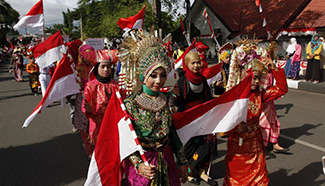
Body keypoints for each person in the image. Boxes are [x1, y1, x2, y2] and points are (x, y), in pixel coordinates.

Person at [120, 30, 188, 185]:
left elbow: (172, 133)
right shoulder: (130, 104)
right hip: (144, 165)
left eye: (163, 75)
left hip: (167, 159)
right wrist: (138, 164)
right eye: (153, 75)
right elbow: (126, 139)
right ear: (144, 76)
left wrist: (182, 161)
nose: (159, 80)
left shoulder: (168, 100)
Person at [224, 40, 288, 186]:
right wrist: (234, 127)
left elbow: (281, 90)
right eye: (252, 76)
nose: (256, 80)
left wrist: (275, 69)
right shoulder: (232, 95)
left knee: (259, 179)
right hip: (237, 145)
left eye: (258, 77)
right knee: (236, 180)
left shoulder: (261, 94)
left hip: (255, 144)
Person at [174, 51, 216, 185]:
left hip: (202, 118)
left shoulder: (203, 80)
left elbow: (208, 99)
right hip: (187, 119)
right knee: (189, 146)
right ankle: (189, 171)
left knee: (206, 144)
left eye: (198, 62)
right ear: (186, 64)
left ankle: (203, 171)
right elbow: (178, 104)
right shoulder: (181, 81)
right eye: (193, 63)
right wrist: (175, 96)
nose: (196, 65)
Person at [82, 49, 118, 147]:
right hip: (97, 126)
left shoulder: (116, 85)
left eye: (109, 67)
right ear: (96, 68)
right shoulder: (90, 86)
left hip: (113, 124)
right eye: (103, 67)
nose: (106, 70)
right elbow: (85, 108)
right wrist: (88, 108)